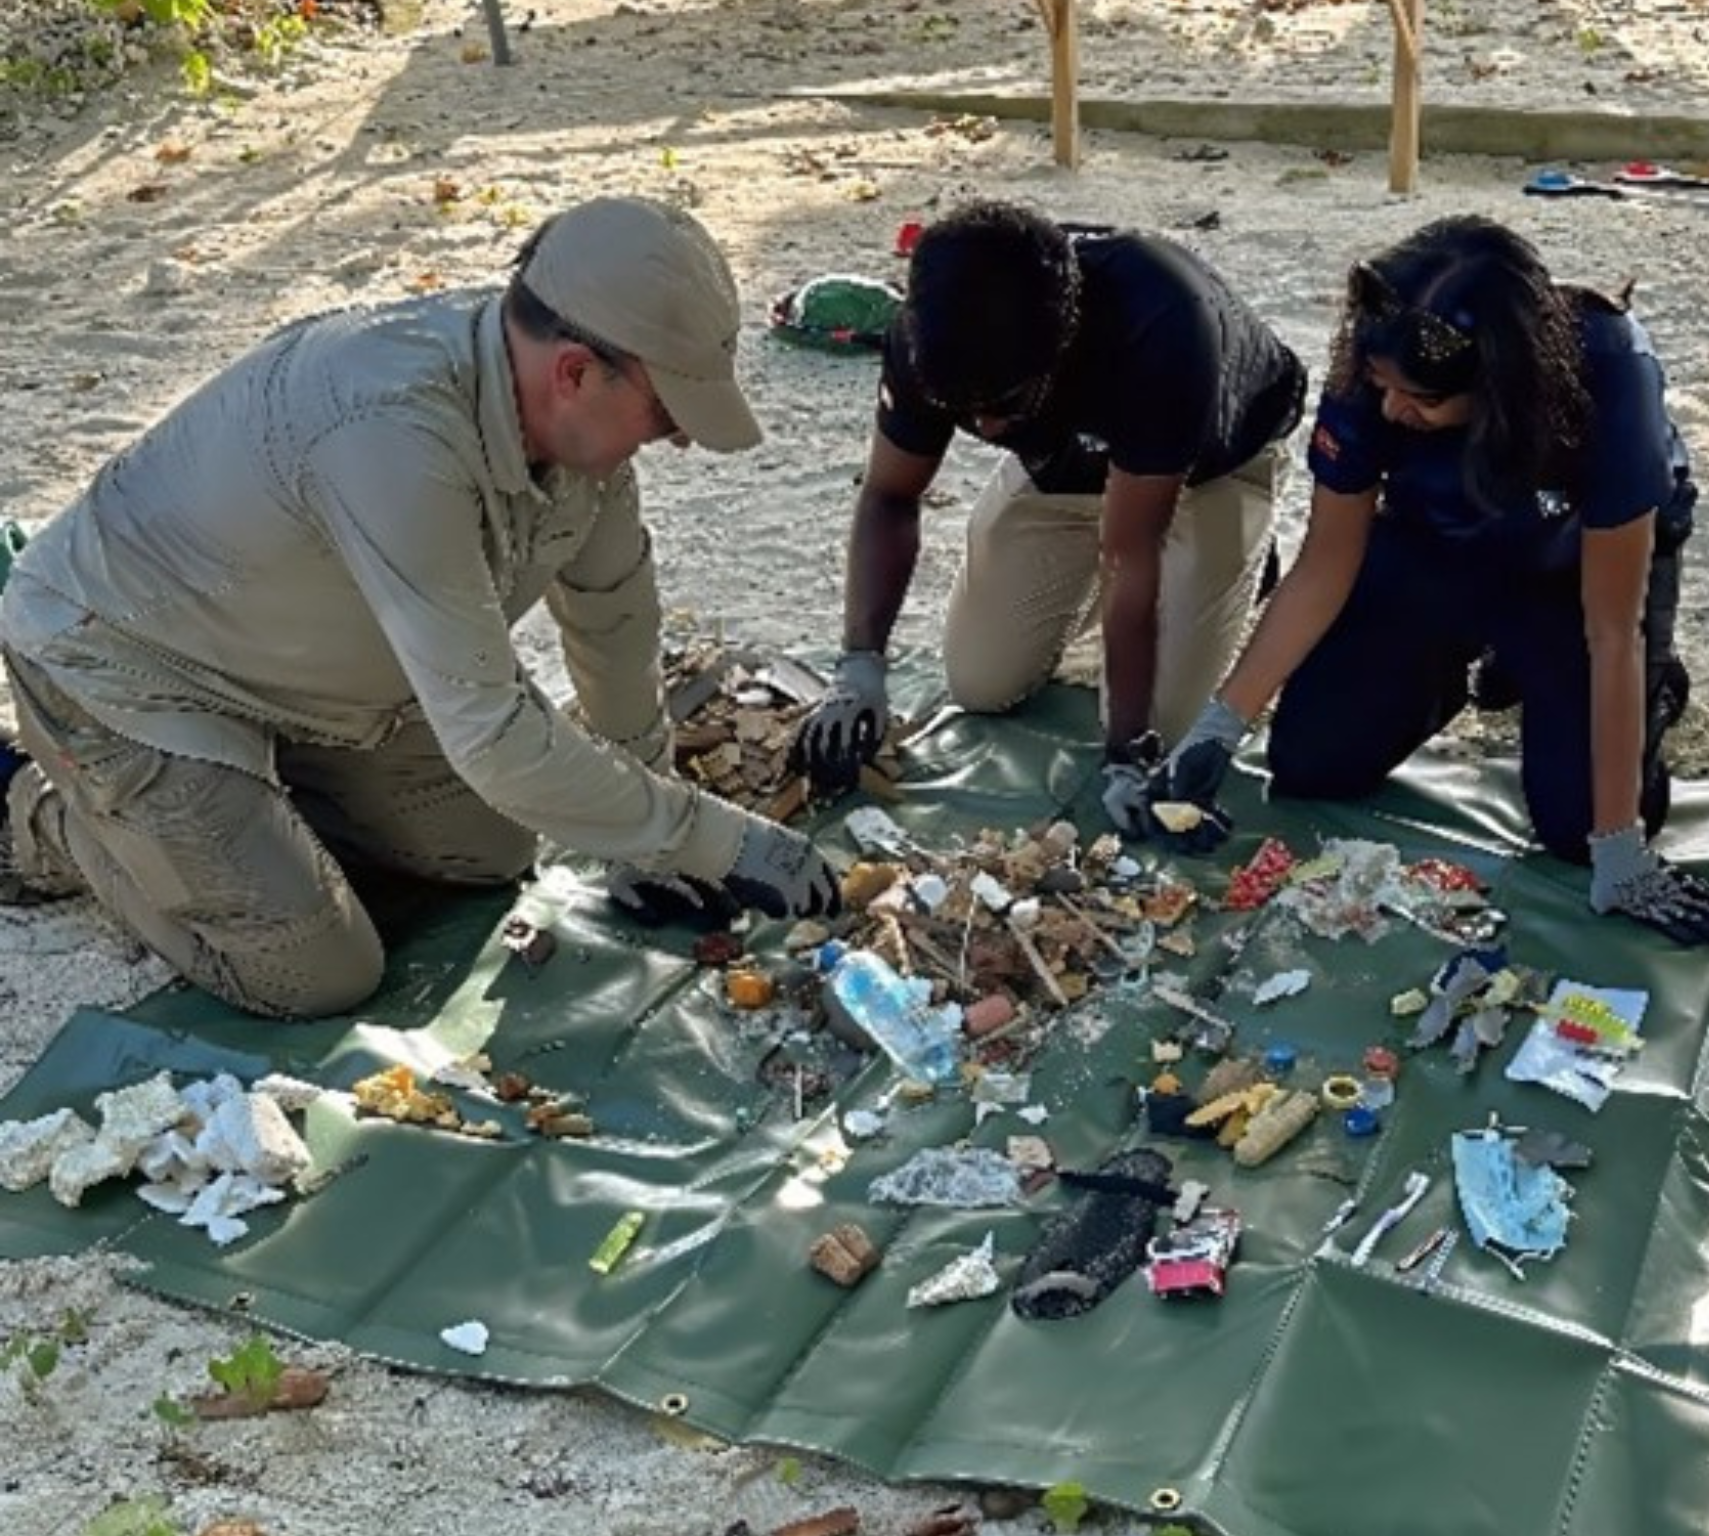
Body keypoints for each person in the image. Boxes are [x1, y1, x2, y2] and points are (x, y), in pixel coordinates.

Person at [0, 195, 839, 1020]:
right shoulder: (393, 432)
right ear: (577, 372)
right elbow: (493, 736)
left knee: (488, 850)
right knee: (312, 972)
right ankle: (38, 812)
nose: (681, 438)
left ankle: (244, 820)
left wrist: (651, 820)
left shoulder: (568, 424)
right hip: (130, 668)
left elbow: (612, 614)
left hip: (315, 678)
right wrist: (724, 840)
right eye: (667, 413)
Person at [1148, 215, 1709, 946]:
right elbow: (1326, 561)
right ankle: (1462, 669)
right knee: (1310, 762)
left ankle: (1650, 692)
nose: (1394, 410)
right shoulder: (1376, 358)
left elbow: (1611, 630)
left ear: (1498, 386)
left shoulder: (1613, 375)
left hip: (1574, 572)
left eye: (1422, 401)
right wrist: (1220, 725)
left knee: (1578, 826)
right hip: (1437, 540)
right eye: (1382, 388)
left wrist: (1620, 852)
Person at [789, 200, 1307, 832]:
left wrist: (1124, 755)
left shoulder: (1160, 325)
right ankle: (1117, 573)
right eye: (963, 410)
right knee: (981, 682)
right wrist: (859, 666)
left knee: (1164, 725)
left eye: (1003, 404)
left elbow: (1129, 555)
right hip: (1068, 465)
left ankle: (1249, 561)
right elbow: (890, 495)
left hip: (1206, 467)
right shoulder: (925, 338)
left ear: (1062, 346)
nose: (983, 427)